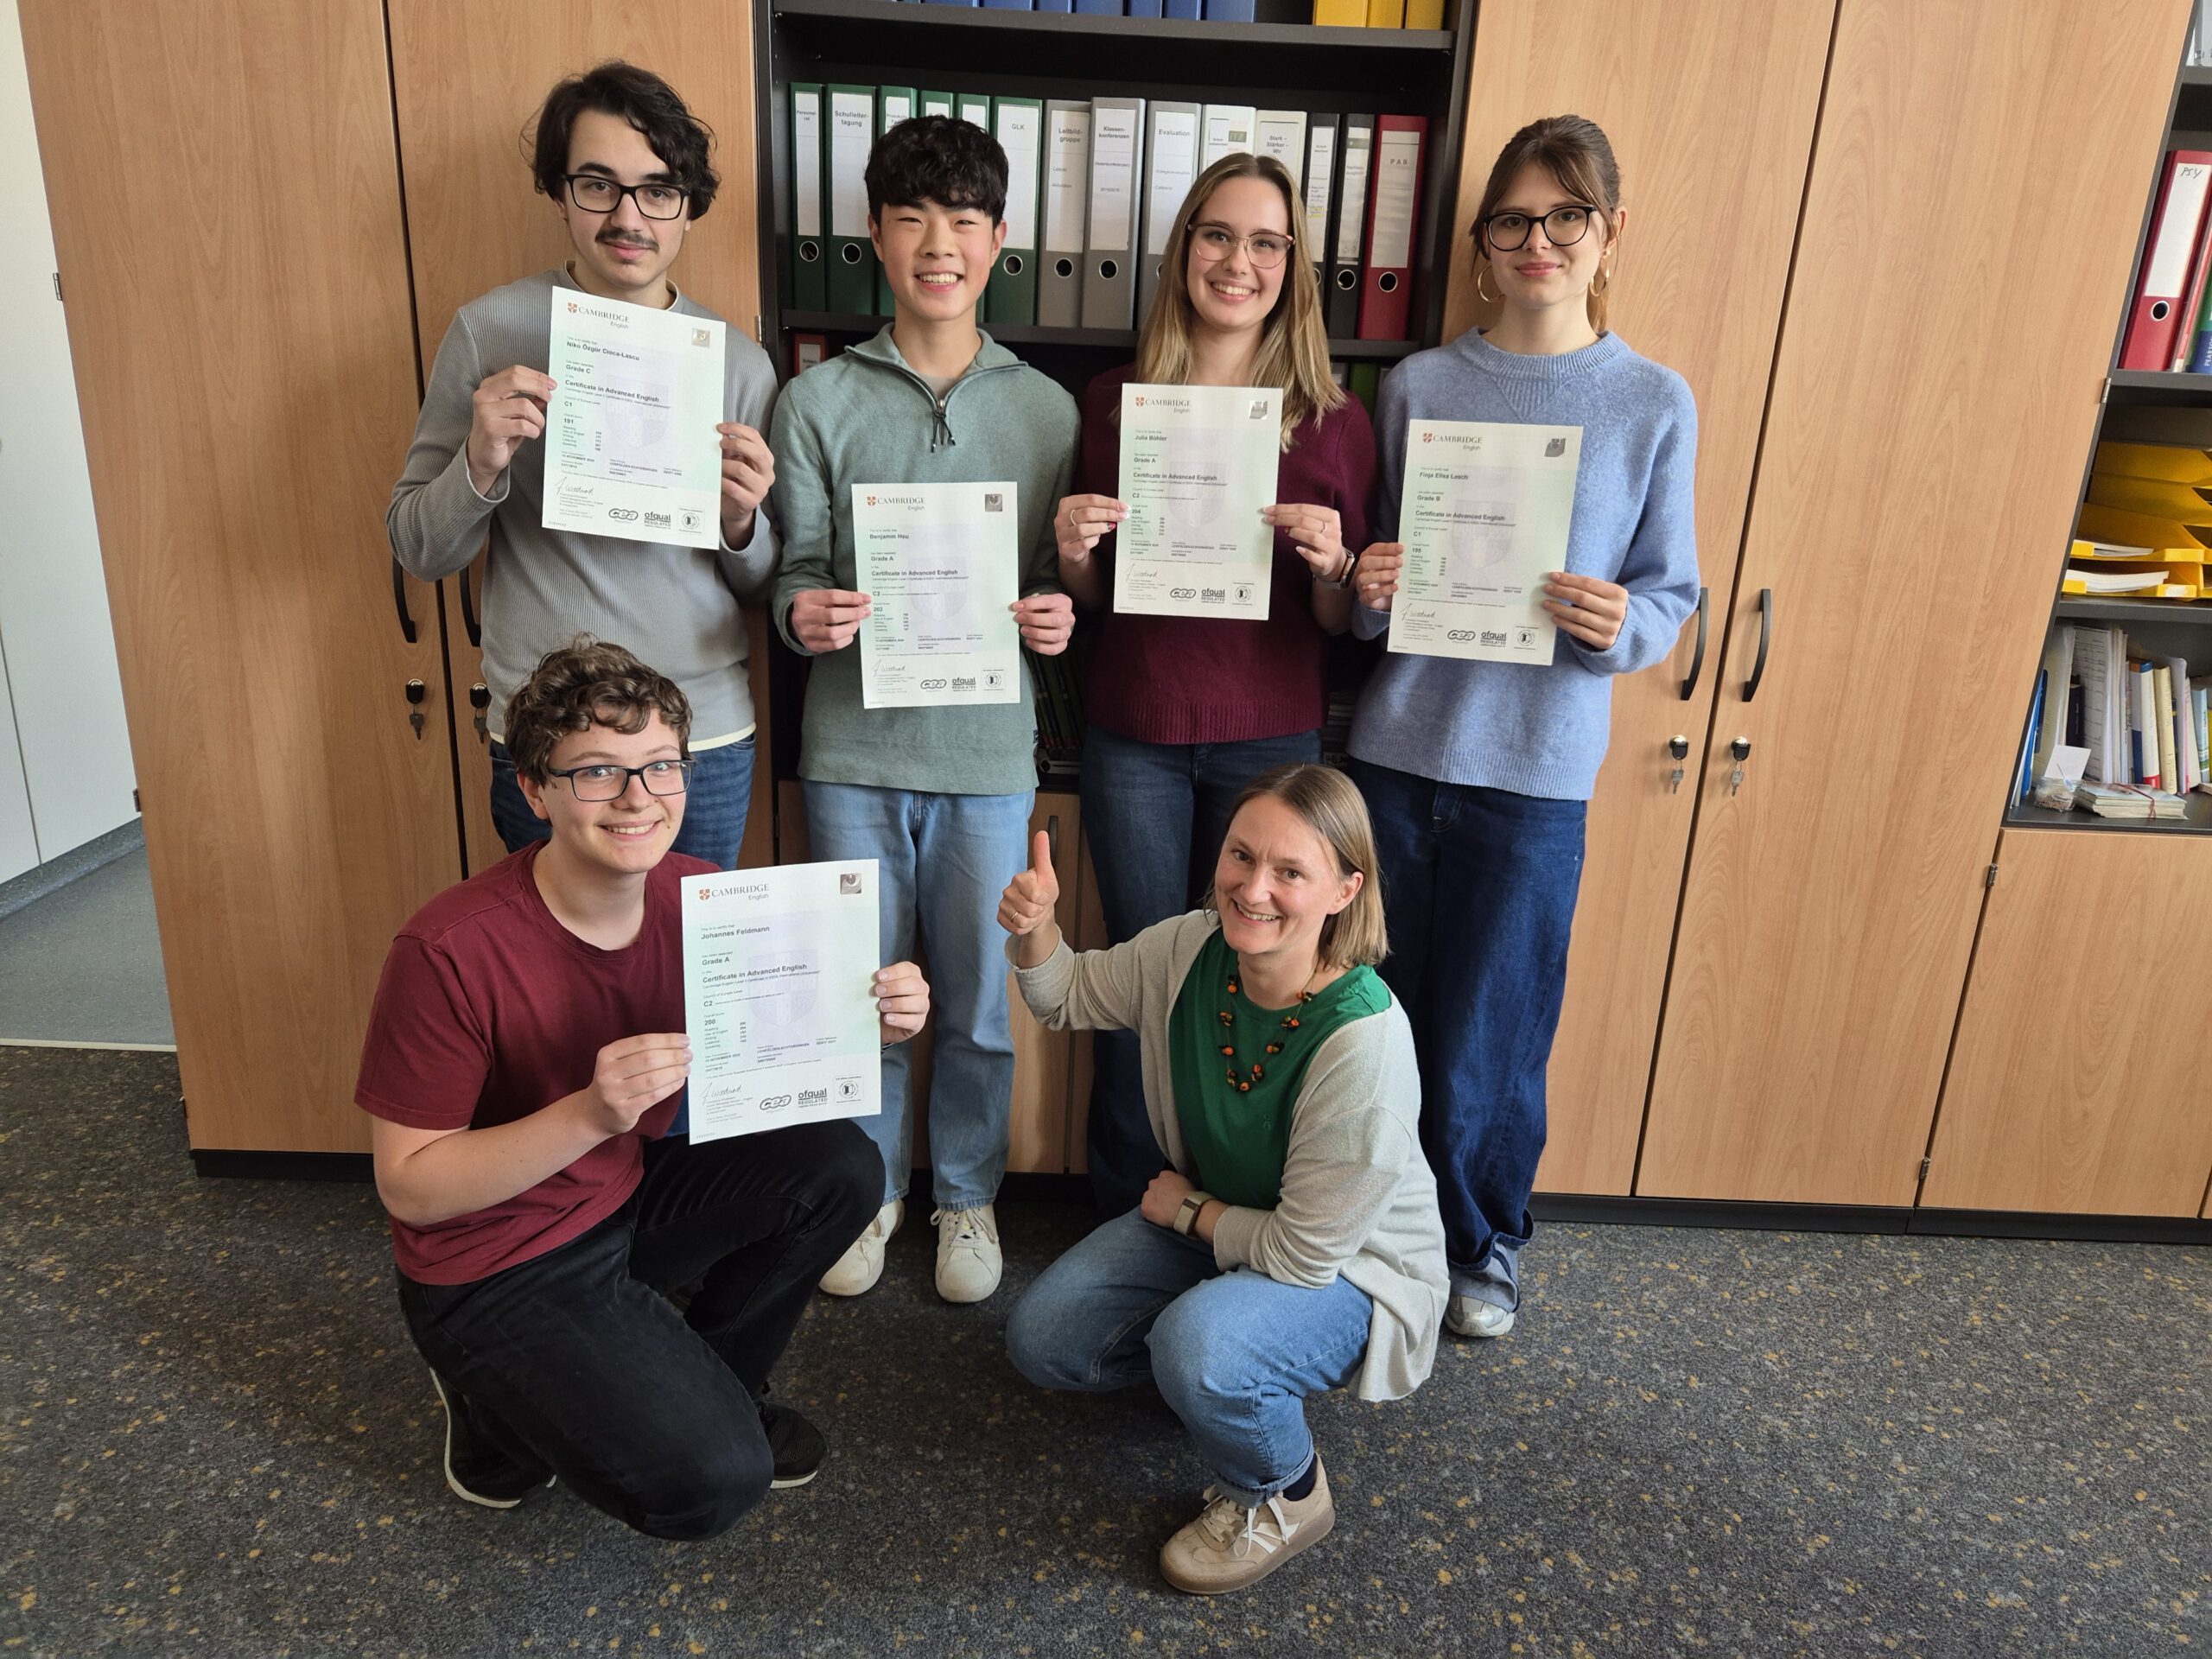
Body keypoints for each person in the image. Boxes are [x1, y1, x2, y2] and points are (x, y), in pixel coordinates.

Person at [355, 639, 930, 1539]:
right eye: (597, 772)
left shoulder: (698, 895)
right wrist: (589, 1114)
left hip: (620, 1194)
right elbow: (411, 1188)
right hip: (492, 1256)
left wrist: (874, 1017)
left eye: (662, 765)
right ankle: (488, 1408)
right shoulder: (446, 951)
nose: (638, 797)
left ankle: (712, 1384)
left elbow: (777, 1055)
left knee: (840, 1168)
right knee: (711, 1484)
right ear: (533, 790)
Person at [1347, 115, 1699, 1340]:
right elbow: (1372, 590)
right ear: (1484, 243)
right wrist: (1369, 588)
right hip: (1394, 761)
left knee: (1492, 1037)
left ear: (1609, 234)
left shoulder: (1651, 401)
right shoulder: (1418, 387)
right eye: (1513, 219)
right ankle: (1369, 1231)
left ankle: (1481, 1242)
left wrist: (1624, 623)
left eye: (1566, 217)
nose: (1538, 240)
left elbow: (1672, 594)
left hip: (1535, 777)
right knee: (1370, 1021)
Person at [998, 764, 1446, 1596]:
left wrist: (1192, 1213)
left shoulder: (1365, 1042)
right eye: (1242, 855)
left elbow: (1306, 1258)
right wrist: (1037, 928)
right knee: (1045, 1338)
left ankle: (1287, 1489)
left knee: (1198, 1346)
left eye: (1290, 872)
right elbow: (1065, 995)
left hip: (1348, 1268)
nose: (1253, 888)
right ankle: (1220, 1377)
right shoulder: (1189, 948)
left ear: (1345, 891)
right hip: (1223, 1222)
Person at [770, 114, 1078, 1306]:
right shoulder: (817, 400)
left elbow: (1049, 584)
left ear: (998, 241)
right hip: (851, 748)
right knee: (864, 994)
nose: (937, 244)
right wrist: (804, 615)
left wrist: (1053, 617)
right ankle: (867, 1192)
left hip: (988, 756)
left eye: (962, 220)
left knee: (975, 1004)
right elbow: (794, 573)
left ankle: (965, 1195)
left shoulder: (1048, 411)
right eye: (911, 219)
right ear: (875, 236)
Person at [1051, 151, 1376, 1217]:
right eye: (1219, 235)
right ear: (1184, 248)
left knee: (1259, 986)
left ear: (1293, 266)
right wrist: (1072, 553)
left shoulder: (1334, 419)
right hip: (1137, 733)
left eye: (1266, 242)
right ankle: (1122, 1214)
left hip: (1269, 746)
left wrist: (1331, 567)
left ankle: (1230, 1211)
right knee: (1144, 983)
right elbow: (1095, 601)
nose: (1239, 261)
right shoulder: (1113, 403)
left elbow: (1339, 623)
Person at [388, 61, 780, 872]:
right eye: (599, 185)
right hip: (548, 741)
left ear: (688, 206)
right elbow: (419, 549)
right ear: (560, 194)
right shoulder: (490, 330)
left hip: (698, 739)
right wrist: (478, 464)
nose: (628, 217)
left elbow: (761, 586)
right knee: (554, 956)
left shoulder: (738, 363)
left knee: (685, 954)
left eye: (657, 190)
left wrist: (741, 522)